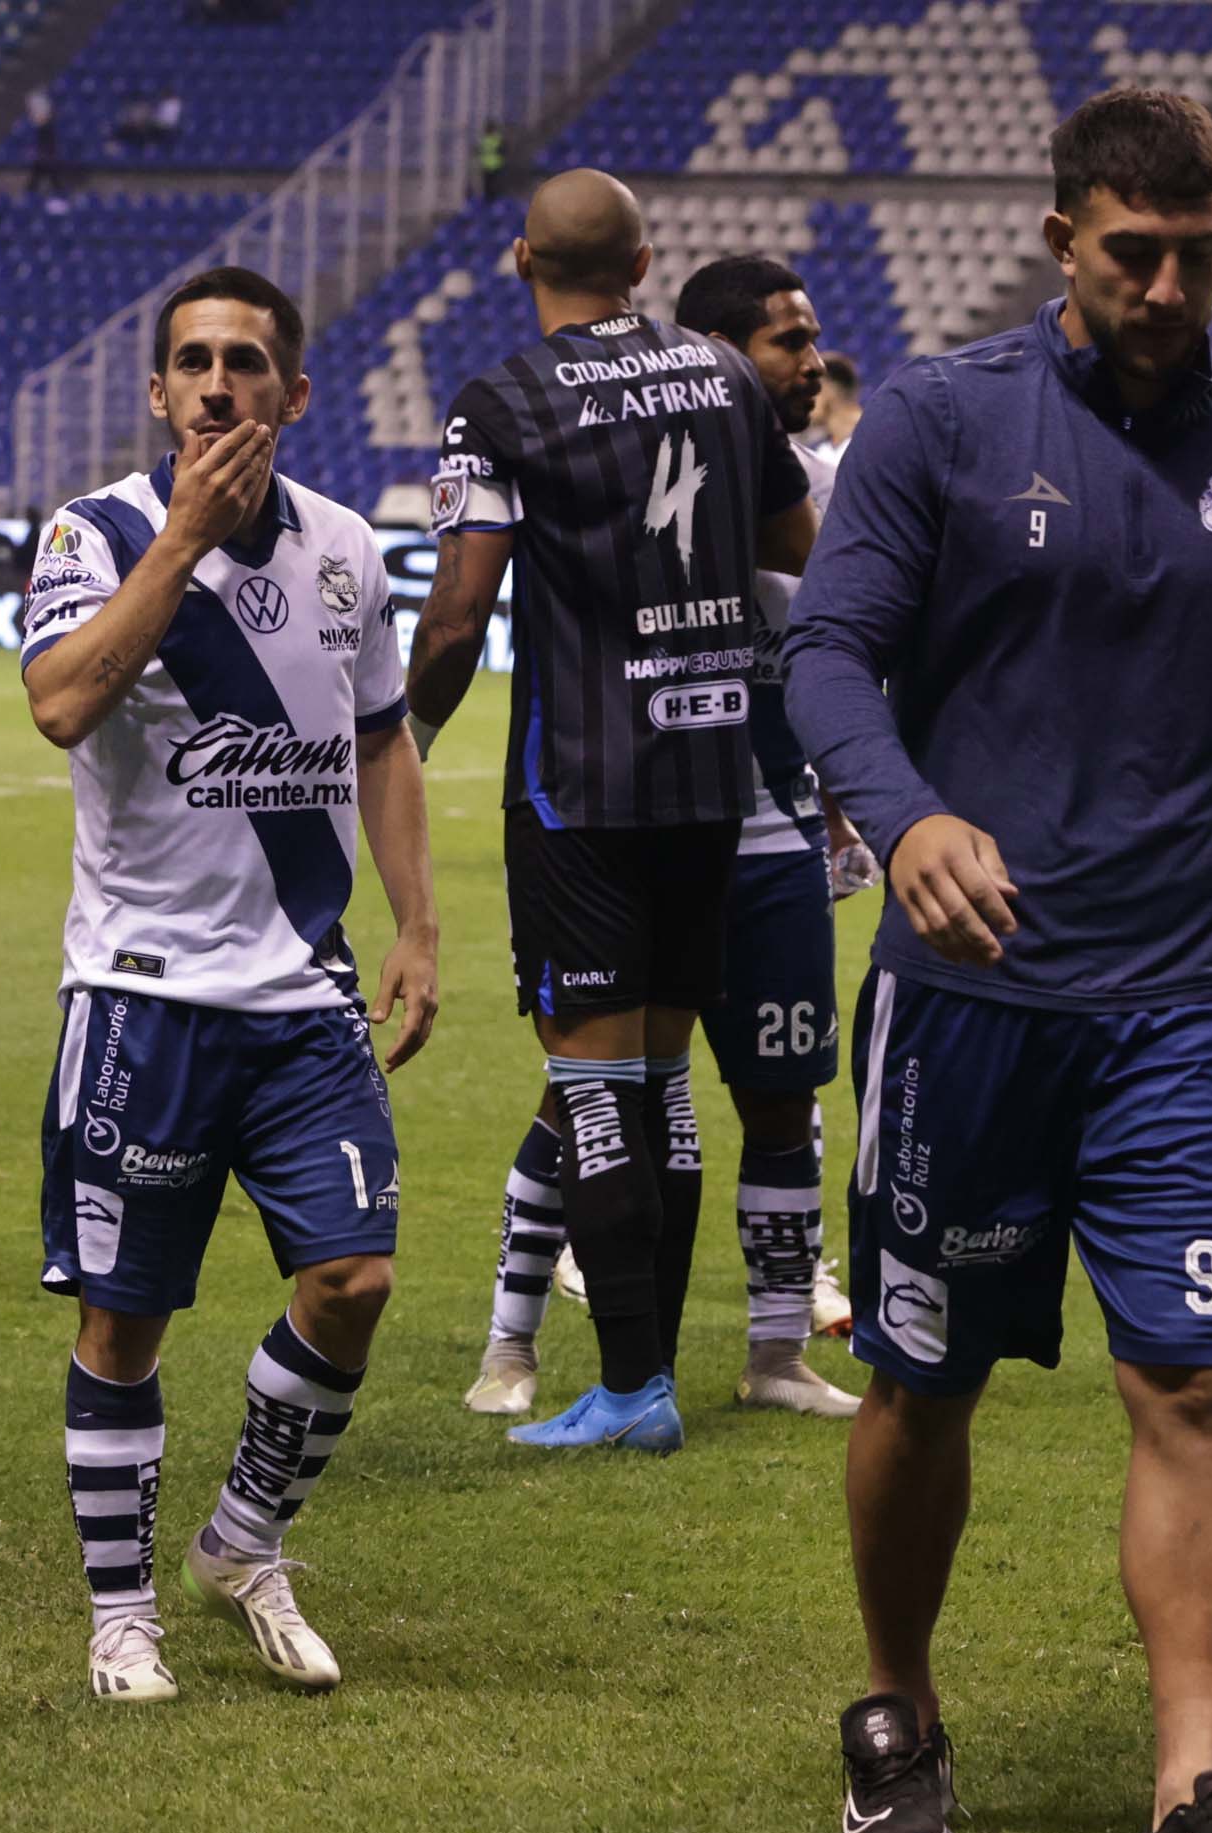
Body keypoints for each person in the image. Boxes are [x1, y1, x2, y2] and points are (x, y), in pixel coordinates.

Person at [785, 86, 1212, 1833]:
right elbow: (823, 654)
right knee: (923, 1377)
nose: (1171, 283)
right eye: (1136, 251)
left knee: (1195, 1383)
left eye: (1200, 251)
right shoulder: (942, 425)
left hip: (1182, 1014)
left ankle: (1191, 1800)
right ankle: (897, 1692)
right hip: (967, 1008)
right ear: (1062, 241)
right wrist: (910, 809)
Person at [18, 266, 437, 1700]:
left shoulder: (348, 550)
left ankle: (244, 1540)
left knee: (357, 1276)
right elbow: (63, 702)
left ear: (292, 393)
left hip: (304, 997)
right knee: (126, 1320)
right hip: (141, 994)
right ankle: (119, 1610)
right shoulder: (97, 532)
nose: (215, 386)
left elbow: (384, 739)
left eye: (244, 364)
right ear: (156, 392)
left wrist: (419, 926)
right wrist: (184, 545)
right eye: (190, 363)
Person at [406, 168, 818, 1453]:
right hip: (712, 779)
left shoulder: (502, 402)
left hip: (582, 784)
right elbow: (796, 544)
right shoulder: (724, 375)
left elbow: (464, 607)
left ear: (523, 257)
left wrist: (407, 739)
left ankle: (634, 1387)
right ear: (643, 261)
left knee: (595, 1094)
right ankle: (648, 1377)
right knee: (666, 1088)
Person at [810, 350, 862, 459]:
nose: (804, 397)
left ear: (828, 390)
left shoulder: (873, 437)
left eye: (810, 389)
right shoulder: (823, 450)